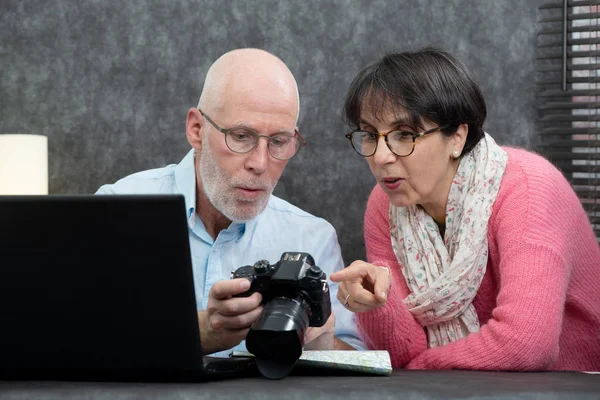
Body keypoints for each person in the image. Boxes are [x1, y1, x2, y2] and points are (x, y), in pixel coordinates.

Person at [330, 47, 600, 371]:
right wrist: (374, 305)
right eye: (371, 135)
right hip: (461, 386)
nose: (381, 156)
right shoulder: (384, 204)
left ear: (457, 136)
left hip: (574, 383)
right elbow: (401, 353)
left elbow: (527, 343)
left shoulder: (529, 189)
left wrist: (421, 367)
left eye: (404, 135)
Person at [96, 48, 363, 357]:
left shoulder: (313, 239)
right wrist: (199, 332)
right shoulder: (117, 211)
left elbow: (354, 368)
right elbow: (74, 338)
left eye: (278, 141)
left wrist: (317, 337)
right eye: (240, 136)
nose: (260, 164)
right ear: (196, 130)